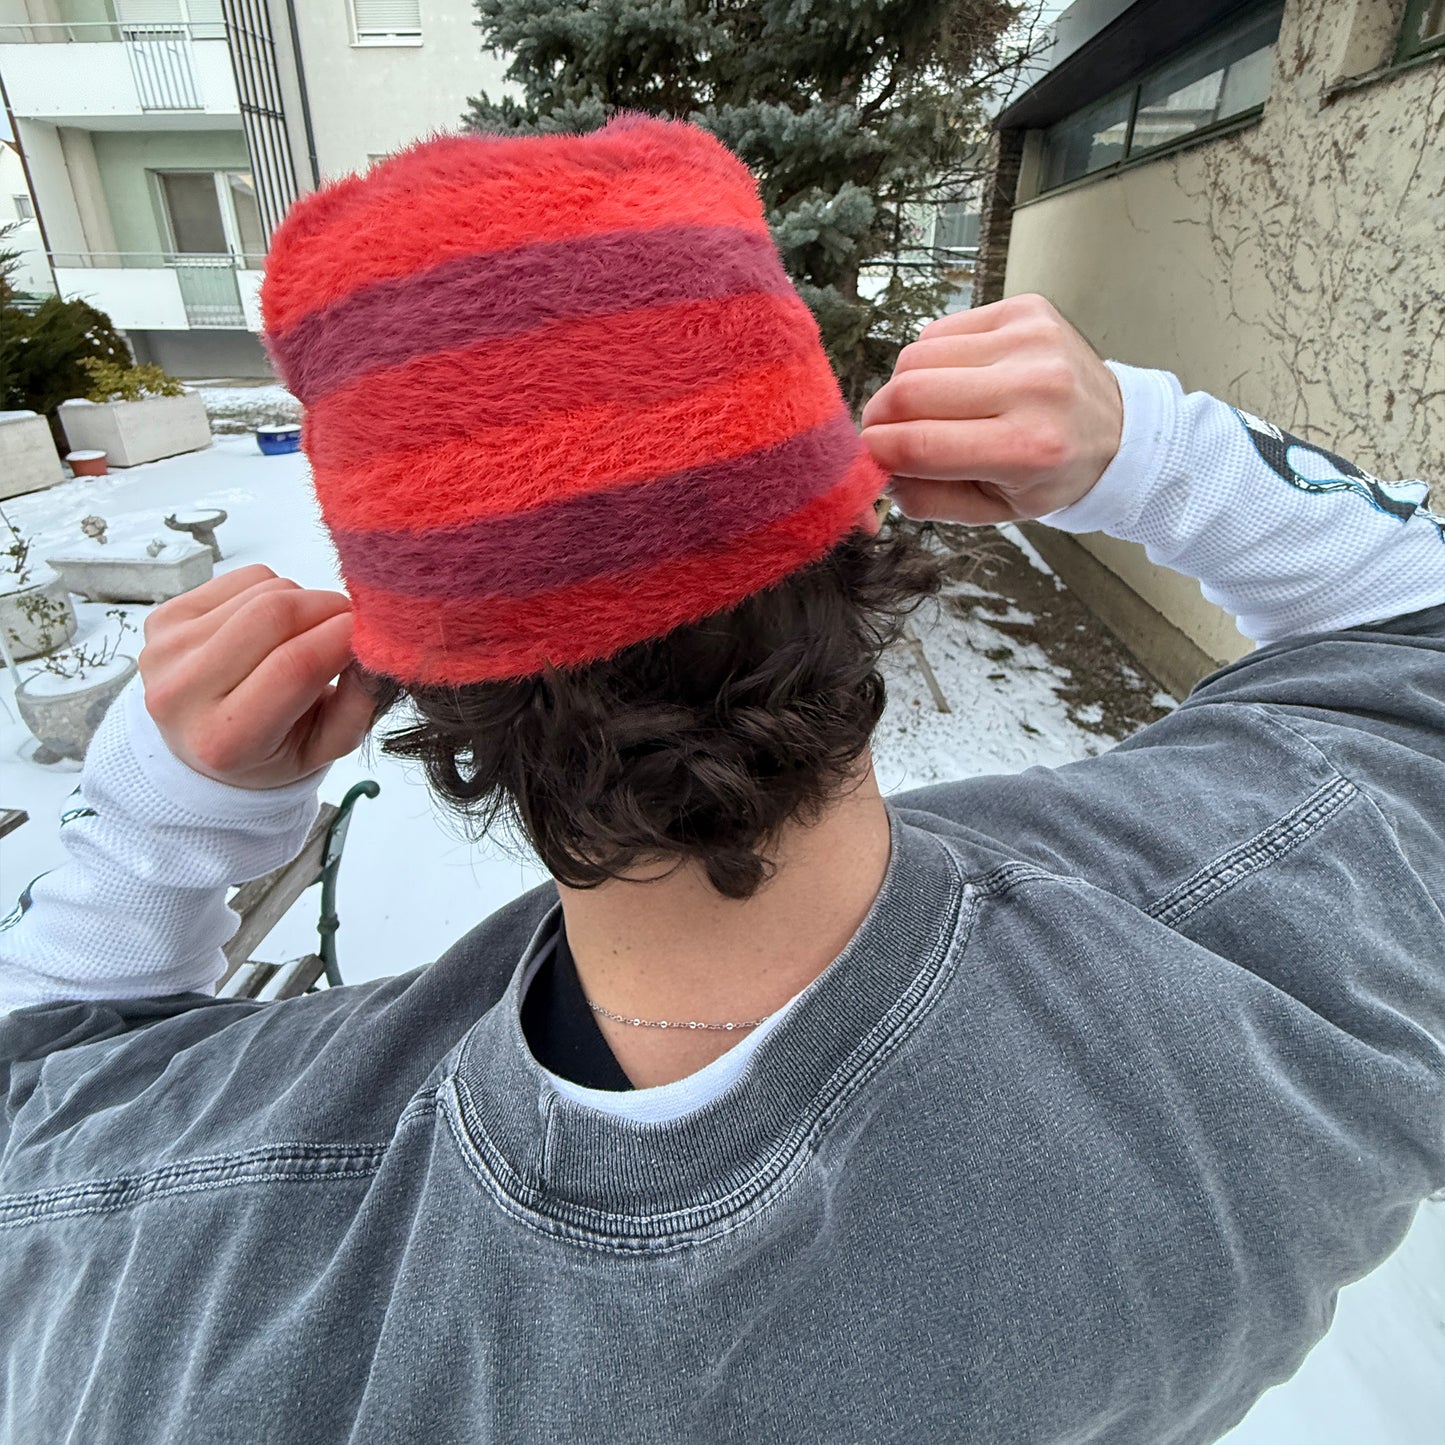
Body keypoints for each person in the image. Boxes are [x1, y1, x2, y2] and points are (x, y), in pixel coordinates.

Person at [2, 119, 1442, 1445]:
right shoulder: (1289, 958)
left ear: (420, 683)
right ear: (858, 544)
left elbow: (41, 1086)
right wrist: (1157, 450)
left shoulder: (178, 1269)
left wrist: (155, 812)